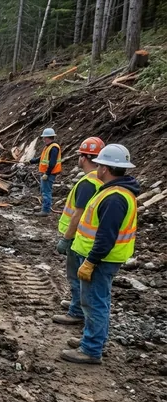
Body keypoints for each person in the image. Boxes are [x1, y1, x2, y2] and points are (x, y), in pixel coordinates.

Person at [61, 144, 139, 365]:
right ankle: (92, 339)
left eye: (101, 165)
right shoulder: (115, 191)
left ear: (105, 168)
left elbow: (106, 236)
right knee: (94, 300)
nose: (97, 168)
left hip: (101, 260)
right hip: (104, 258)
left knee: (95, 302)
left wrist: (91, 262)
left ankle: (91, 349)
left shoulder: (115, 198)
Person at [52, 137, 105, 326]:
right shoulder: (100, 180)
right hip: (88, 236)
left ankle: (76, 311)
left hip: (79, 238)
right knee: (80, 278)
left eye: (80, 155)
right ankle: (77, 304)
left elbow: (78, 214)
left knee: (75, 275)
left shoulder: (87, 183)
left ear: (84, 158)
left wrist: (66, 238)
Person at [28, 128, 62, 216]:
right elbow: (43, 158)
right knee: (43, 191)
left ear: (48, 137)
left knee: (46, 192)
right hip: (45, 173)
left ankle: (45, 211)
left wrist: (47, 173)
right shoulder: (49, 147)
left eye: (44, 138)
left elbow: (52, 163)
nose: (43, 139)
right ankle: (44, 207)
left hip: (49, 174)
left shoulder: (54, 148)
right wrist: (33, 161)